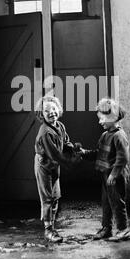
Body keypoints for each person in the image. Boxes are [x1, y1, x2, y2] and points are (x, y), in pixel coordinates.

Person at [80, 98, 130, 241]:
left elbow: (123, 158)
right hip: (106, 174)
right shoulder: (104, 135)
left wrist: (114, 175)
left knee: (116, 202)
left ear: (113, 117)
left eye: (102, 119)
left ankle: (123, 230)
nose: (100, 122)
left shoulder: (119, 136)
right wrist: (84, 153)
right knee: (106, 202)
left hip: (116, 175)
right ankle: (106, 228)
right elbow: (98, 154)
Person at [34, 95, 81, 243]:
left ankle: (51, 225)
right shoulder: (45, 132)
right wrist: (71, 162)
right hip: (45, 166)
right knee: (47, 198)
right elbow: (55, 154)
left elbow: (65, 141)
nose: (51, 112)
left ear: (58, 109)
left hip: (54, 166)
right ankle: (48, 230)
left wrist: (73, 148)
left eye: (53, 109)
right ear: (42, 114)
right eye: (46, 111)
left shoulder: (60, 126)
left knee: (55, 197)